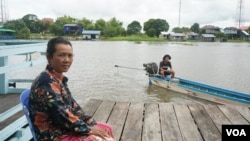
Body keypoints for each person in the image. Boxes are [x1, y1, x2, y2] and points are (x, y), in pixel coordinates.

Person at [29, 37, 115, 141]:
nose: (67, 60)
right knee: (96, 138)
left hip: (65, 128)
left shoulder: (59, 78)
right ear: (49, 57)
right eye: (62, 55)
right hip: (53, 135)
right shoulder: (46, 81)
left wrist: (91, 123)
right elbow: (61, 115)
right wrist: (88, 129)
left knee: (106, 129)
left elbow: (74, 108)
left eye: (70, 56)